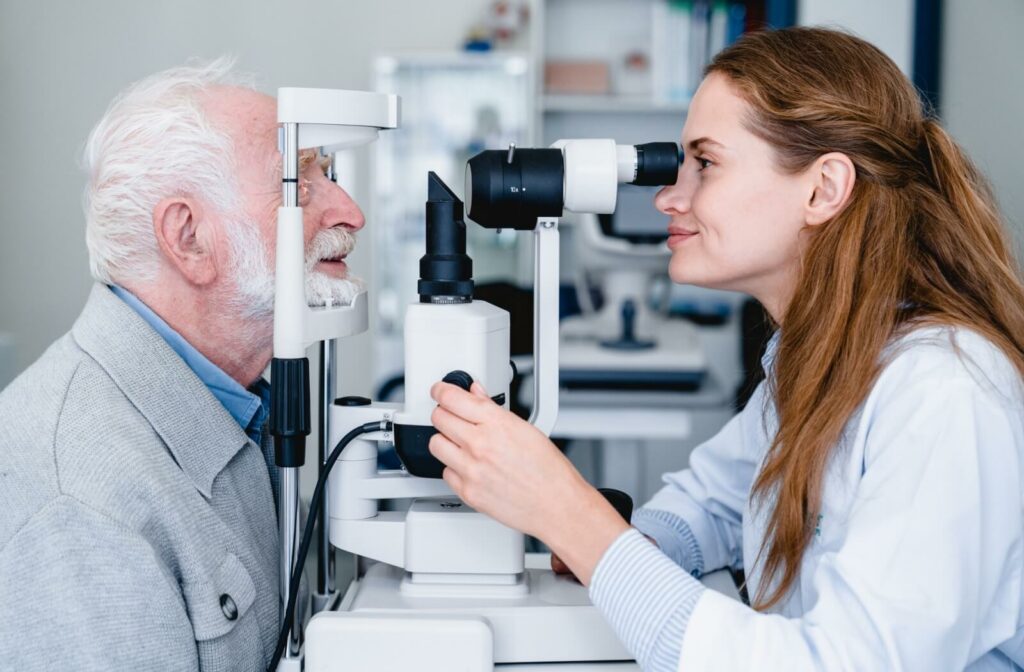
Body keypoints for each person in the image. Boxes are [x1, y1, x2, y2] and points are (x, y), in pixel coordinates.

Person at [428, 26, 1024, 671]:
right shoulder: (819, 360)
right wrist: (645, 541)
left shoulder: (941, 394)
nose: (667, 198)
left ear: (823, 189)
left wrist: (572, 517)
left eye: (704, 164)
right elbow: (715, 500)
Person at [0, 58, 366, 670]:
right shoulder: (84, 513)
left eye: (328, 174)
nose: (350, 211)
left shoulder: (238, 405)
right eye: (299, 180)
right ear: (189, 237)